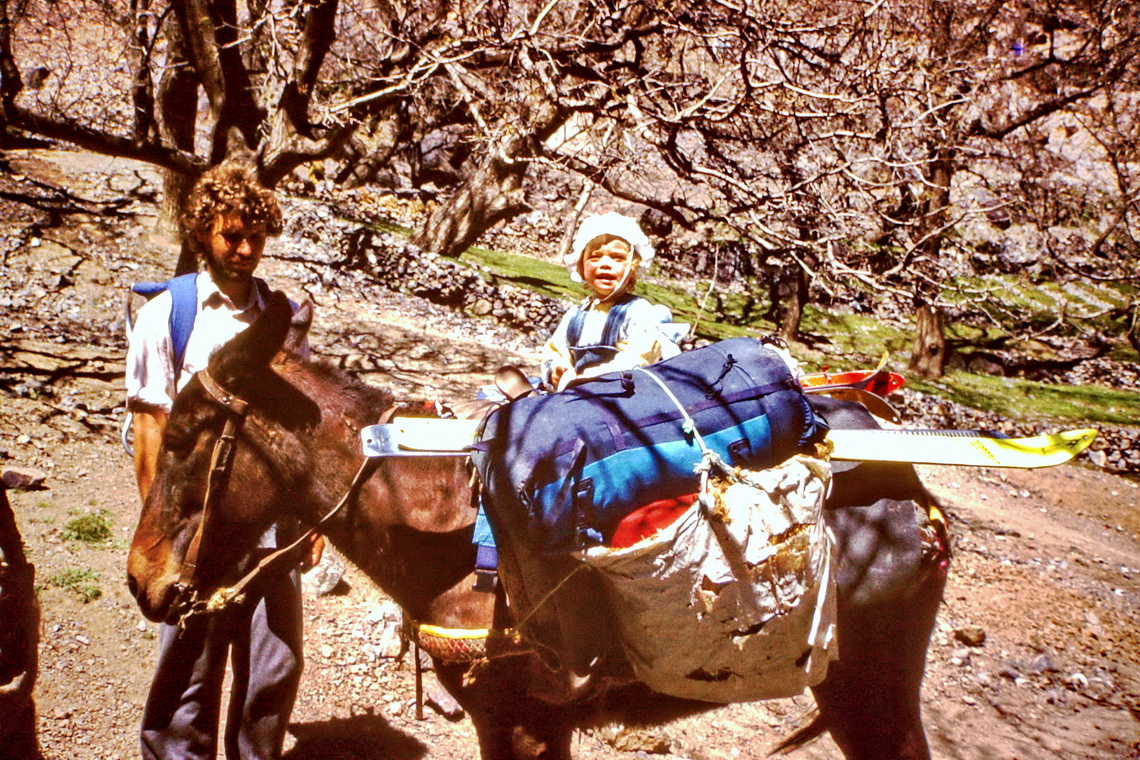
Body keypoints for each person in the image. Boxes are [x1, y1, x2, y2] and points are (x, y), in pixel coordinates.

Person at [125, 161, 321, 760]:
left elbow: (299, 425)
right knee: (190, 664)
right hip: (200, 526)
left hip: (269, 529)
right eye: (230, 235)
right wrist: (165, 529)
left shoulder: (282, 319)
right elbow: (151, 428)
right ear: (202, 233)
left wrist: (308, 522)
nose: (243, 249)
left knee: (274, 664)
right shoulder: (170, 315)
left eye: (254, 238)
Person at [540, 212, 686, 391]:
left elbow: (639, 355)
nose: (605, 264)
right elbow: (555, 350)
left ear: (633, 267)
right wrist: (556, 370)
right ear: (581, 265)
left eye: (617, 258)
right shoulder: (575, 315)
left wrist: (595, 377)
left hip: (620, 393)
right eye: (595, 257)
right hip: (576, 394)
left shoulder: (638, 312)